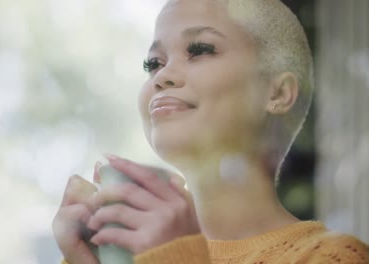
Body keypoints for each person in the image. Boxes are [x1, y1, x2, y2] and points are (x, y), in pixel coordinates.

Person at [53, 0, 369, 263]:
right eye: (153, 63)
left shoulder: (334, 257)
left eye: (200, 50)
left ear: (277, 93)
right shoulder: (123, 253)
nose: (162, 77)